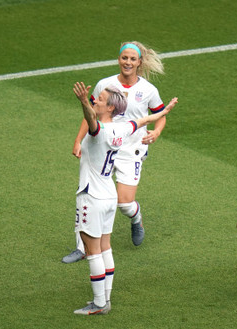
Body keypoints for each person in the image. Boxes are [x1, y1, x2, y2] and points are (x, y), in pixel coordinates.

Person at [70, 81, 177, 315]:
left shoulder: (100, 131)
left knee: (93, 250)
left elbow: (90, 119)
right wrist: (164, 112)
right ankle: (105, 298)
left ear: (110, 108)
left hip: (92, 196)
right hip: (109, 195)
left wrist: (82, 101)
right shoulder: (123, 129)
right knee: (105, 248)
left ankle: (99, 304)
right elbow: (143, 121)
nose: (95, 100)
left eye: (100, 99)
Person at [63, 41, 167, 264]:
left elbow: (160, 114)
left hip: (132, 149)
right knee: (86, 193)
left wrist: (156, 132)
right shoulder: (105, 84)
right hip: (104, 146)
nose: (127, 62)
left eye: (132, 59)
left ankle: (135, 217)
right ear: (119, 59)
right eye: (124, 58)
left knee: (124, 203)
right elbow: (89, 114)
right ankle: (81, 248)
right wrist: (78, 140)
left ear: (139, 62)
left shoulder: (148, 90)